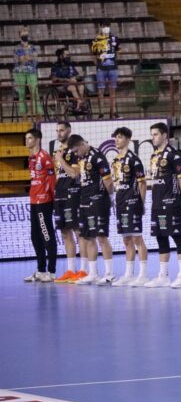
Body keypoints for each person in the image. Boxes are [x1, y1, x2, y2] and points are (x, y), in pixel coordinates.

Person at [56, 134, 114, 285]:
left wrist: (111, 198)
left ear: (82, 144)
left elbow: (108, 181)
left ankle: (109, 274)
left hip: (99, 201)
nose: (75, 154)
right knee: (88, 237)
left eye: (76, 151)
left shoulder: (98, 157)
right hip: (84, 201)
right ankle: (93, 273)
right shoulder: (81, 157)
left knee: (101, 237)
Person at [149, 122, 181, 288]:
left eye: (155, 134)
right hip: (157, 203)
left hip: (171, 203)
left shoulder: (174, 155)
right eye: (152, 135)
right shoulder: (154, 155)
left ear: (164, 135)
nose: (153, 138)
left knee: (177, 236)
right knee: (160, 236)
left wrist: (178, 197)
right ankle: (163, 276)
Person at [109, 127, 149, 287]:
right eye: (116, 137)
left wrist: (141, 203)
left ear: (127, 139)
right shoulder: (115, 160)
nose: (116, 140)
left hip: (133, 202)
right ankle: (129, 274)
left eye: (119, 137)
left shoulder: (134, 160)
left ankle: (143, 275)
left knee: (137, 238)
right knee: (126, 240)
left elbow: (142, 183)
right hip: (120, 203)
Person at [52, 122, 87, 284]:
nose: (59, 133)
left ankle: (84, 270)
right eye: (57, 131)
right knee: (65, 232)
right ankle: (71, 270)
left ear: (69, 131)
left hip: (74, 195)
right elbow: (58, 175)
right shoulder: (58, 152)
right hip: (60, 195)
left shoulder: (74, 151)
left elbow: (74, 174)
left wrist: (60, 159)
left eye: (62, 130)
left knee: (79, 232)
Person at [23, 129, 57, 283]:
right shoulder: (31, 158)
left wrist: (52, 200)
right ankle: (41, 270)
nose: (27, 141)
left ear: (37, 140)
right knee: (35, 236)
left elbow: (51, 180)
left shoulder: (45, 157)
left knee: (46, 235)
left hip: (44, 201)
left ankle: (51, 271)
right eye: (26, 138)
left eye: (30, 138)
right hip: (34, 200)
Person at [90, 21, 120, 119]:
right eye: (104, 26)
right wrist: (98, 64)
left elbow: (118, 50)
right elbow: (92, 54)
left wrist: (115, 61)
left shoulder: (114, 38)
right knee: (101, 91)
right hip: (101, 69)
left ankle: (113, 112)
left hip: (113, 68)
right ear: (100, 27)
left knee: (113, 91)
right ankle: (101, 113)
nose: (106, 28)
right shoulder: (96, 39)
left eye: (107, 26)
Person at [13, 27, 42, 120]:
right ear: (19, 35)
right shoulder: (17, 47)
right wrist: (28, 57)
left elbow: (36, 59)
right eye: (23, 32)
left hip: (31, 72)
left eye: (26, 32)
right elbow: (21, 60)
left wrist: (25, 57)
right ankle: (24, 115)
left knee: (34, 92)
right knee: (22, 93)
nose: (25, 34)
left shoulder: (33, 47)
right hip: (19, 73)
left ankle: (38, 113)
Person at [50, 48, 86, 112]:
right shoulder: (55, 66)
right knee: (72, 87)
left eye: (69, 55)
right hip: (61, 85)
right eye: (66, 55)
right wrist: (66, 79)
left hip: (72, 83)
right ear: (61, 56)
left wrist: (75, 78)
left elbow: (77, 75)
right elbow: (53, 78)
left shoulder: (70, 65)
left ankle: (80, 104)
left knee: (81, 86)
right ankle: (79, 102)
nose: (68, 57)